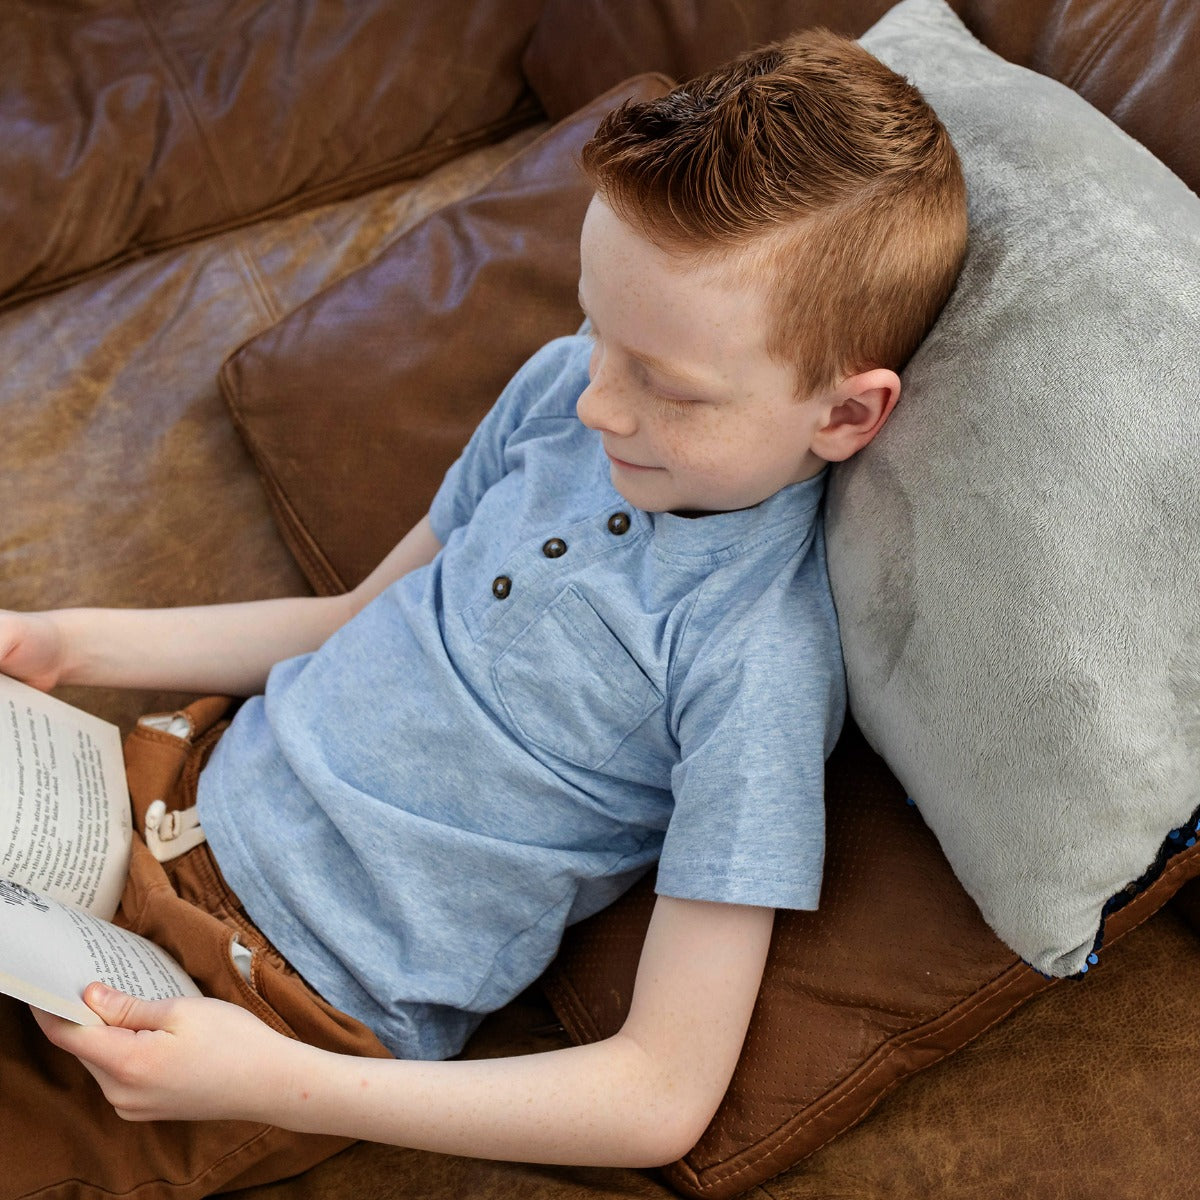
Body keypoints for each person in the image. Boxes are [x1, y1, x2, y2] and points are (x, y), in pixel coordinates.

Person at [0, 28, 967, 1198]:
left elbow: (660, 1092)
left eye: (665, 383)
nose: (598, 398)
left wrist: (259, 1080)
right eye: (594, 324)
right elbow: (357, 617)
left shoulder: (754, 663)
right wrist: (65, 641)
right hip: (153, 797)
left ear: (847, 416)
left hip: (274, 1015)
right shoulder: (563, 389)